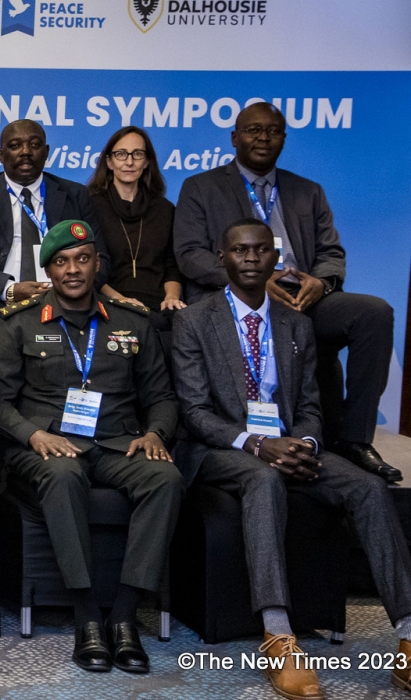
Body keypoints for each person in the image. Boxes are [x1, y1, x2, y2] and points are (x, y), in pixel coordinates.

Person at [171, 218, 411, 699]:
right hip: (223, 450)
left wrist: (305, 444)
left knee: (366, 486)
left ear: (274, 259)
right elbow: (195, 413)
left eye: (262, 251)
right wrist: (258, 445)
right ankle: (279, 637)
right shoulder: (194, 320)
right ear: (222, 257)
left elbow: (309, 405)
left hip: (288, 445)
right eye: (241, 250)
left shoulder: (297, 324)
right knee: (264, 480)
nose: (252, 259)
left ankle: (408, 635)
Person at [0, 219, 183, 675]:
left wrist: (155, 433)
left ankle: (124, 615)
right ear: (49, 271)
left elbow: (161, 396)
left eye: (81, 259)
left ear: (97, 264)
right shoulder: (18, 324)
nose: (72, 270)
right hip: (43, 442)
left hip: (118, 442)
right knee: (63, 474)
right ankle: (87, 616)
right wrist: (35, 435)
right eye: (60, 262)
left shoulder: (134, 322)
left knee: (166, 478)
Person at [173, 102, 397, 482]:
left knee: (374, 312)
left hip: (304, 298)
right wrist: (256, 281)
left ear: (284, 138)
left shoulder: (307, 191)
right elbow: (190, 254)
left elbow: (330, 253)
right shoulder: (201, 187)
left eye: (273, 131)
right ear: (234, 138)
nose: (263, 137)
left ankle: (354, 440)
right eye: (253, 130)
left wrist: (321, 282)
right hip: (240, 298)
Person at [0, 119, 117, 350]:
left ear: (46, 152)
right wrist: (9, 289)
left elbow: (101, 259)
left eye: (35, 145)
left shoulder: (75, 195)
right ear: (0, 154)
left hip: (63, 292)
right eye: (15, 145)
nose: (26, 152)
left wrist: (65, 287)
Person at [87, 126, 183, 314]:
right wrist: (119, 299)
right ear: (109, 161)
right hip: (108, 302)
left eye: (137, 154)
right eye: (121, 154)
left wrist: (171, 297)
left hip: (159, 305)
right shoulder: (91, 206)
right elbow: (90, 267)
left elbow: (172, 266)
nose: (129, 162)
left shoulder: (165, 209)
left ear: (147, 161)